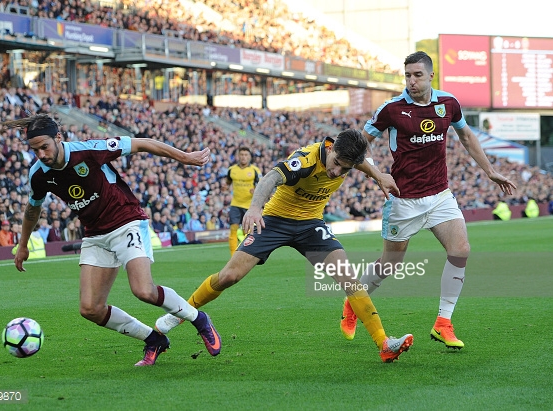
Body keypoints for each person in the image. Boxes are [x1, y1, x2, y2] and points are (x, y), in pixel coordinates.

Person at [156, 129, 414, 363]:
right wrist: (255, 208)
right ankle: (179, 313)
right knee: (229, 276)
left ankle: (384, 343)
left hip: (311, 224)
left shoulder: (349, 159)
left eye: (345, 170)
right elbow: (270, 178)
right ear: (331, 147)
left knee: (349, 278)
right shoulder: (305, 159)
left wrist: (380, 176)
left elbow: (363, 164)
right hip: (275, 221)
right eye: (336, 164)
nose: (337, 172)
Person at [5, 113, 221, 367]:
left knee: (143, 290)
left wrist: (185, 157)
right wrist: (22, 245)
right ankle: (154, 340)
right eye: (35, 150)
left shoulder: (88, 150)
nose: (41, 154)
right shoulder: (38, 174)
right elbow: (33, 209)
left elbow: (141, 143)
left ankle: (200, 320)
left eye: (44, 147)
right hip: (95, 234)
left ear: (59, 138)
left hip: (125, 220)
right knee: (90, 309)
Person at [339, 51, 517, 350]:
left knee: (460, 250)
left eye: (417, 75)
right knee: (390, 264)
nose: (411, 81)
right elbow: (355, 144)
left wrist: (490, 171)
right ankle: (353, 303)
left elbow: (468, 138)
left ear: (431, 75)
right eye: (407, 75)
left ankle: (443, 323)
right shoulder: (392, 109)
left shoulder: (448, 103)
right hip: (403, 200)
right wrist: (378, 173)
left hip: (439, 195)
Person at [222, 146, 261, 256]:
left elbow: (262, 186)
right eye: (241, 154)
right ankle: (233, 256)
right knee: (233, 229)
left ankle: (245, 254)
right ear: (238, 156)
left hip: (249, 205)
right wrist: (224, 187)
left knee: (247, 232)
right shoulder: (232, 170)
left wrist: (256, 191)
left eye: (246, 155)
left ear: (249, 157)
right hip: (235, 204)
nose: (243, 157)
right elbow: (227, 183)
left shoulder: (255, 171)